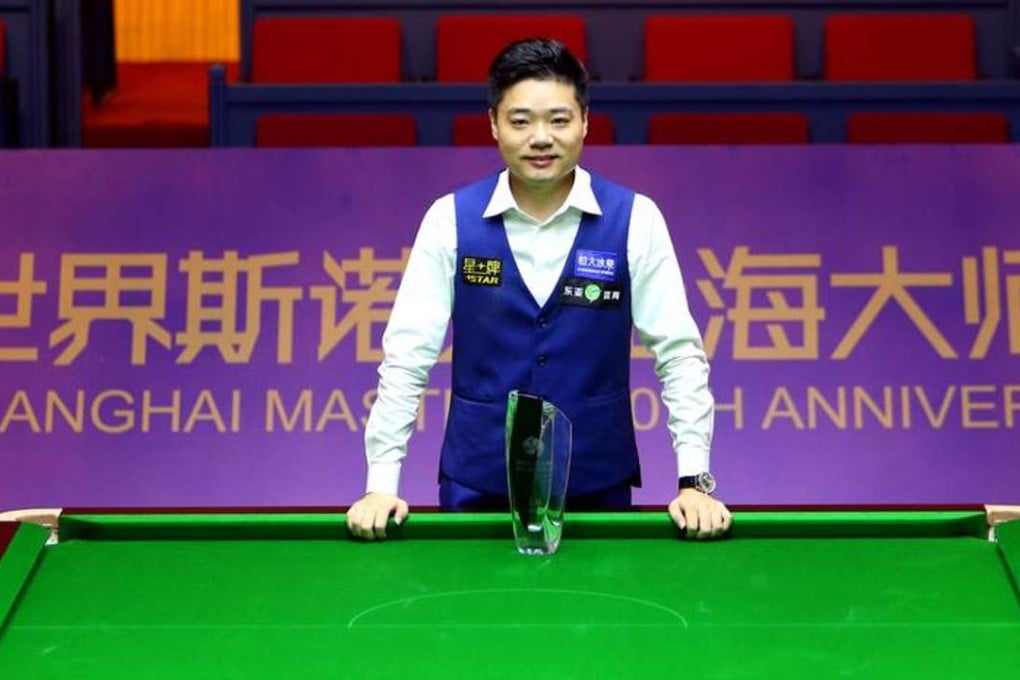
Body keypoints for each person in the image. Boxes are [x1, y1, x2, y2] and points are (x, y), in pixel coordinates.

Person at [346, 37, 731, 541]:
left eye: (559, 119)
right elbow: (407, 357)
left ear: (586, 122)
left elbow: (679, 355)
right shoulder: (449, 220)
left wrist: (694, 481)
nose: (541, 138)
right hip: (476, 488)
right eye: (521, 121)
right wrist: (380, 484)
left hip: (597, 487)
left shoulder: (636, 219)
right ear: (494, 124)